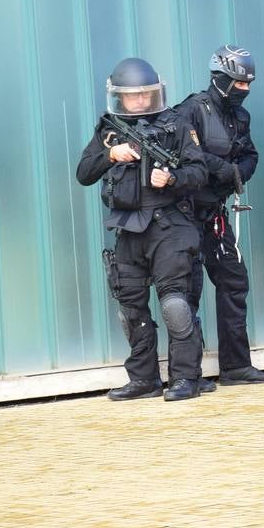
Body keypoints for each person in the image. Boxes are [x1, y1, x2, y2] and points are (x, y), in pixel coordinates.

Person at [76, 57, 209, 401]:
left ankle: (184, 379)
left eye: (145, 94)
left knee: (175, 305)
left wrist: (172, 178)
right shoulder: (110, 128)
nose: (139, 101)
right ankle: (143, 379)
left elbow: (200, 173)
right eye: (132, 96)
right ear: (120, 96)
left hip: (169, 225)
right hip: (127, 228)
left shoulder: (176, 125)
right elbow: (84, 173)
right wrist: (111, 155)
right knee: (130, 308)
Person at [174, 45, 264, 385]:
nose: (243, 90)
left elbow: (251, 156)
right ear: (219, 78)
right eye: (238, 83)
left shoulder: (240, 117)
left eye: (248, 84)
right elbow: (188, 156)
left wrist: (238, 174)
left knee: (234, 281)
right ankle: (189, 375)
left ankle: (235, 367)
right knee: (188, 291)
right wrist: (226, 170)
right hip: (184, 213)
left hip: (214, 214)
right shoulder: (190, 110)